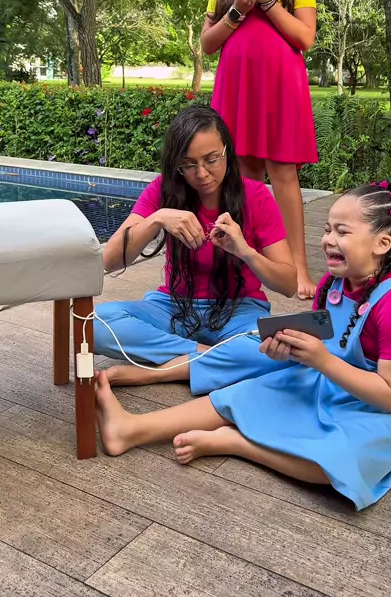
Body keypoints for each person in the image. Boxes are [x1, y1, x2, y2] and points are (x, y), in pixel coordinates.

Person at [95, 181, 391, 511]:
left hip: (376, 410)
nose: (328, 240)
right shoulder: (334, 284)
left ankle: (238, 443)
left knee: (341, 461)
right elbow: (322, 342)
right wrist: (287, 348)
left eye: (342, 232)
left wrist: (321, 361)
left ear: (382, 243)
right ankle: (131, 429)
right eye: (327, 229)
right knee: (242, 393)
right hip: (329, 381)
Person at [94, 105, 297, 394]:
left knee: (284, 348)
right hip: (173, 306)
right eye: (188, 164)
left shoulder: (256, 196)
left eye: (211, 159)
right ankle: (213, 358)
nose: (202, 173)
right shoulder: (163, 189)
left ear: (227, 151)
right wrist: (156, 219)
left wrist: (245, 251)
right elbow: (109, 260)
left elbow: (289, 284)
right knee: (95, 325)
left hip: (239, 310)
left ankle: (156, 372)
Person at [201, 0, 318, 300]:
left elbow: (304, 38)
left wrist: (268, 2)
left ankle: (298, 267)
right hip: (238, 88)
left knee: (283, 172)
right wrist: (237, 8)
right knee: (245, 175)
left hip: (281, 87)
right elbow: (208, 44)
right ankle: (247, 263)